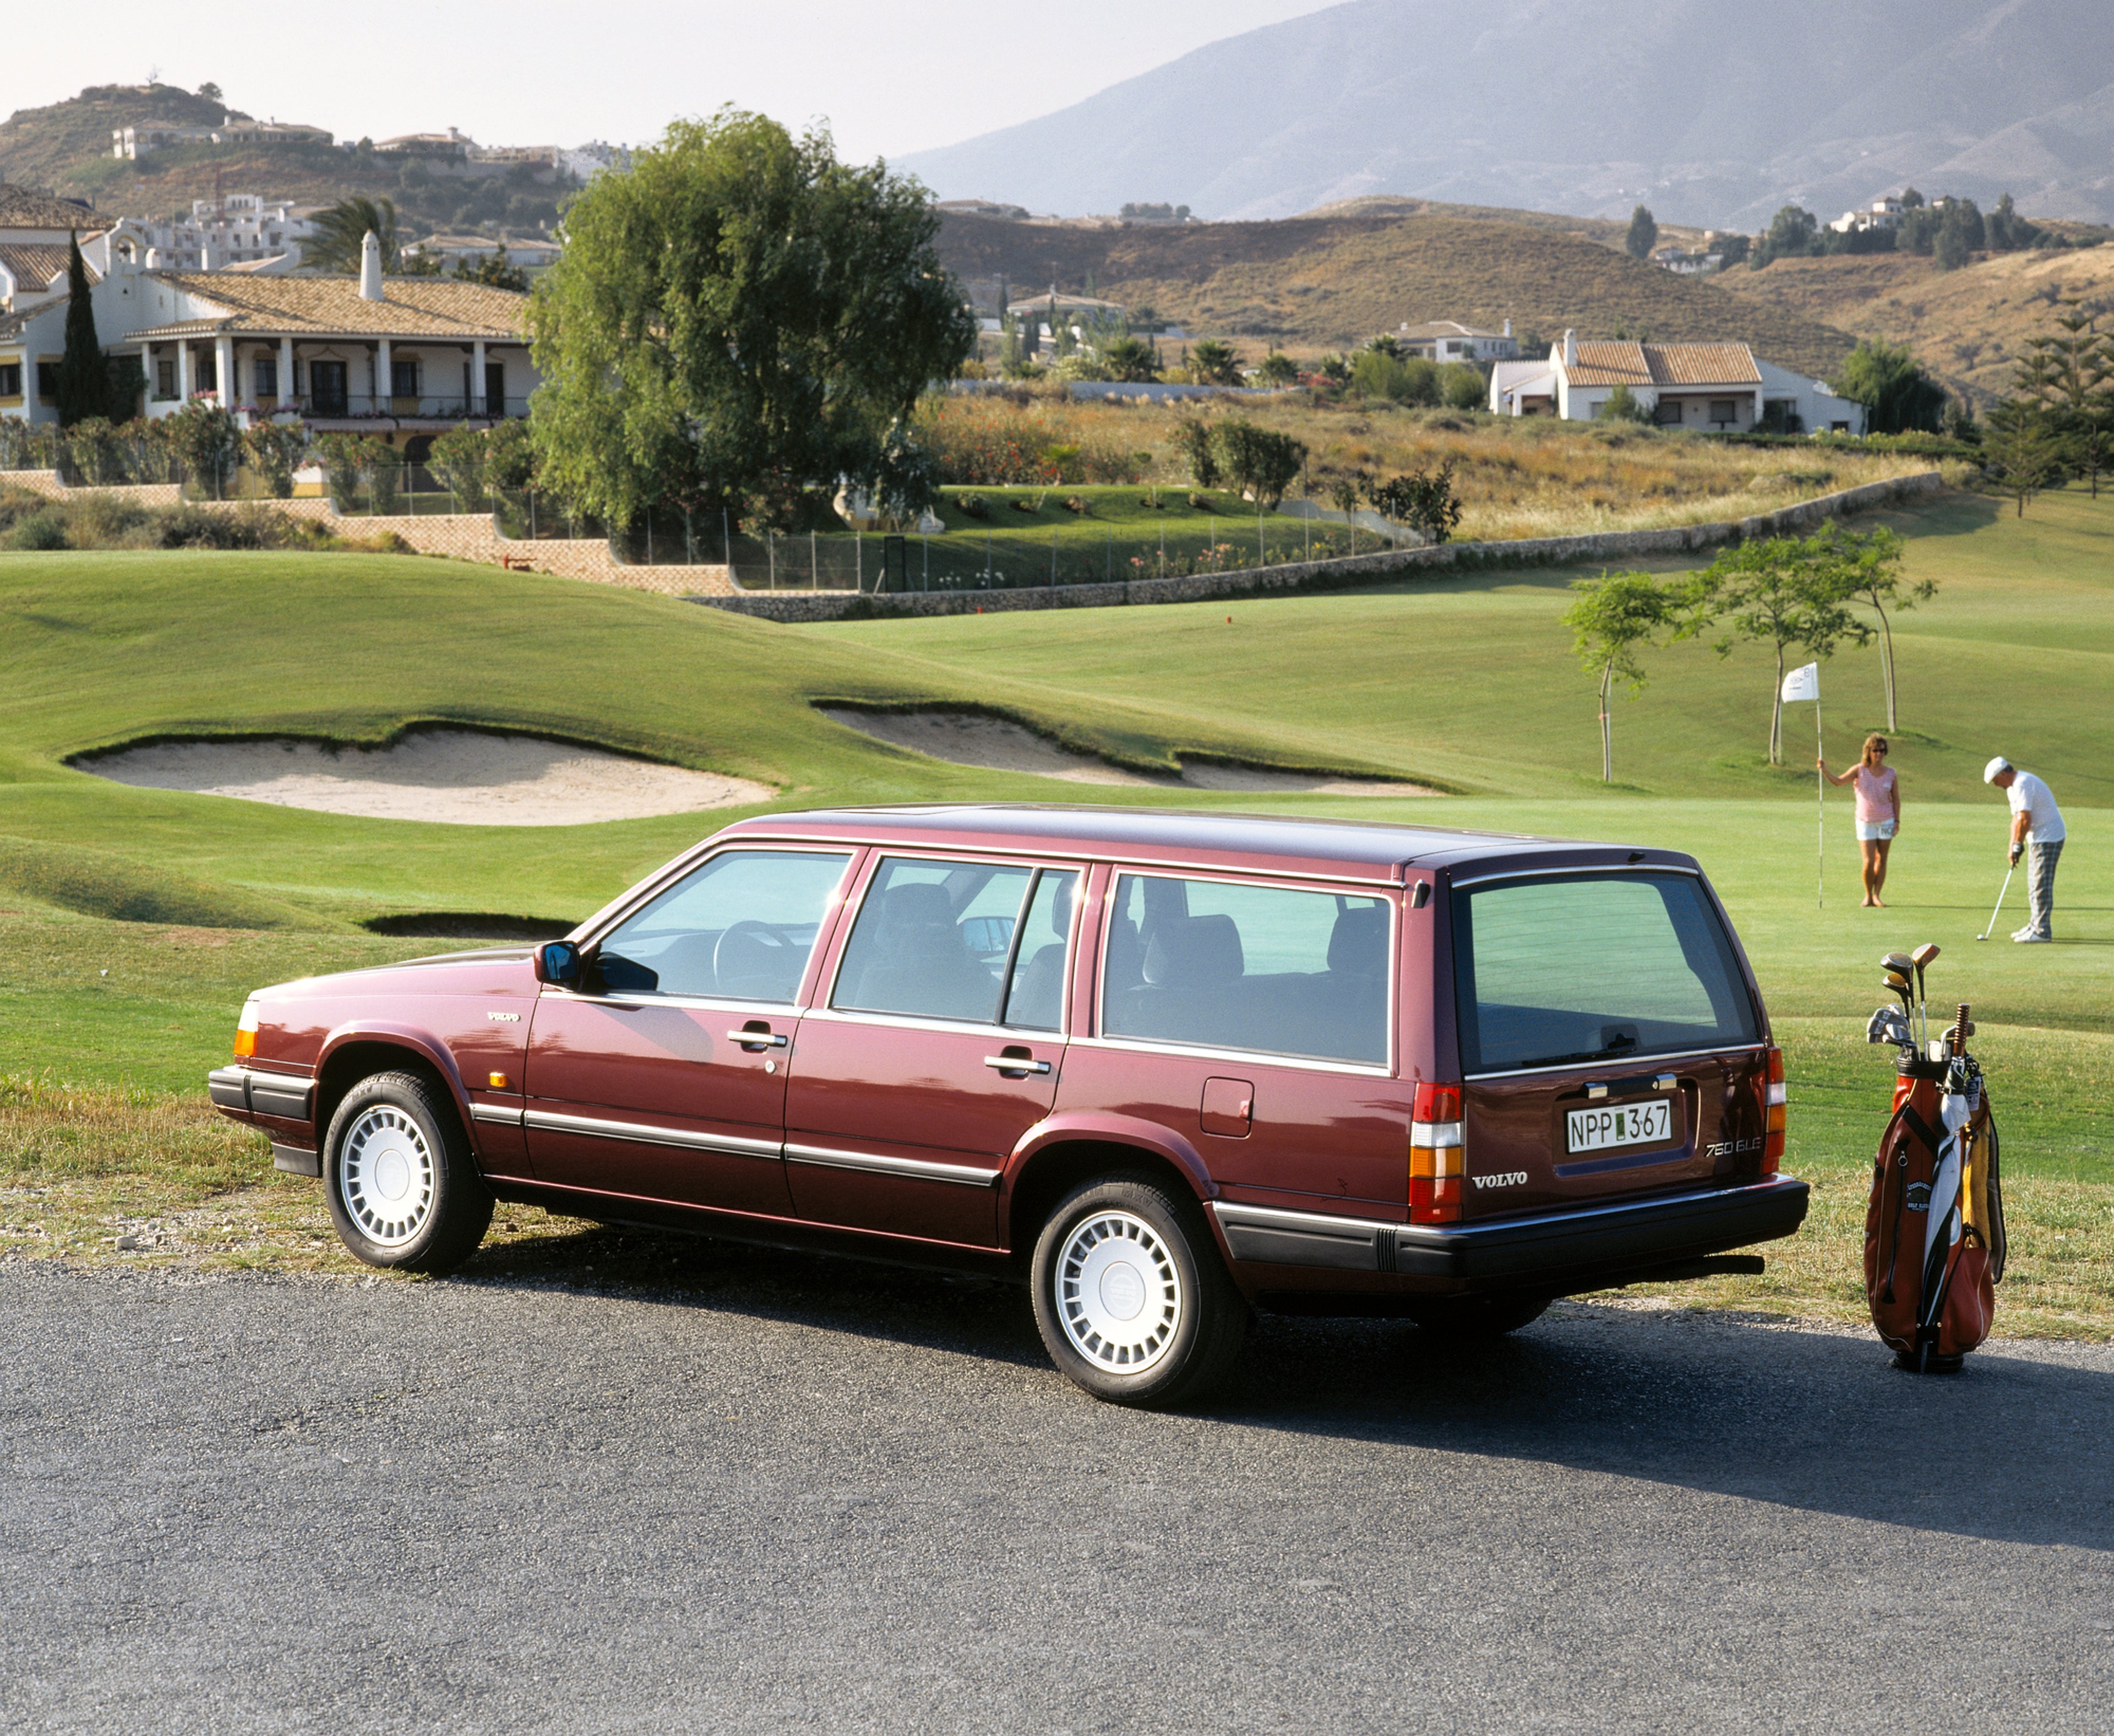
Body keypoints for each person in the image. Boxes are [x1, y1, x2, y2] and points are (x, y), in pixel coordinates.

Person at [1984, 757, 2066, 943]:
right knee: (2033, 883)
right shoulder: (2012, 788)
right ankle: (2035, 924)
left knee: (2040, 884)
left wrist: (2019, 845)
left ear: (2003, 774)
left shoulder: (2023, 783)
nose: (1996, 786)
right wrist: (2012, 847)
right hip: (2038, 838)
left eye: (1996, 781)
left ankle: (2042, 931)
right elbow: (2016, 819)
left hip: (2049, 836)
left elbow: (2025, 819)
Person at [1821, 733, 1900, 907]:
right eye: (1875, 750)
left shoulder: (1891, 774)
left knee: (1883, 859)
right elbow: (1838, 781)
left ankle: (1877, 895)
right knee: (1869, 861)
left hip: (1887, 820)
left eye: (1882, 751)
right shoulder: (1859, 770)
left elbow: (1896, 799)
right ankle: (1867, 895)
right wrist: (1825, 771)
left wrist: (1897, 821)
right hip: (1865, 821)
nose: (1879, 754)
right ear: (1869, 752)